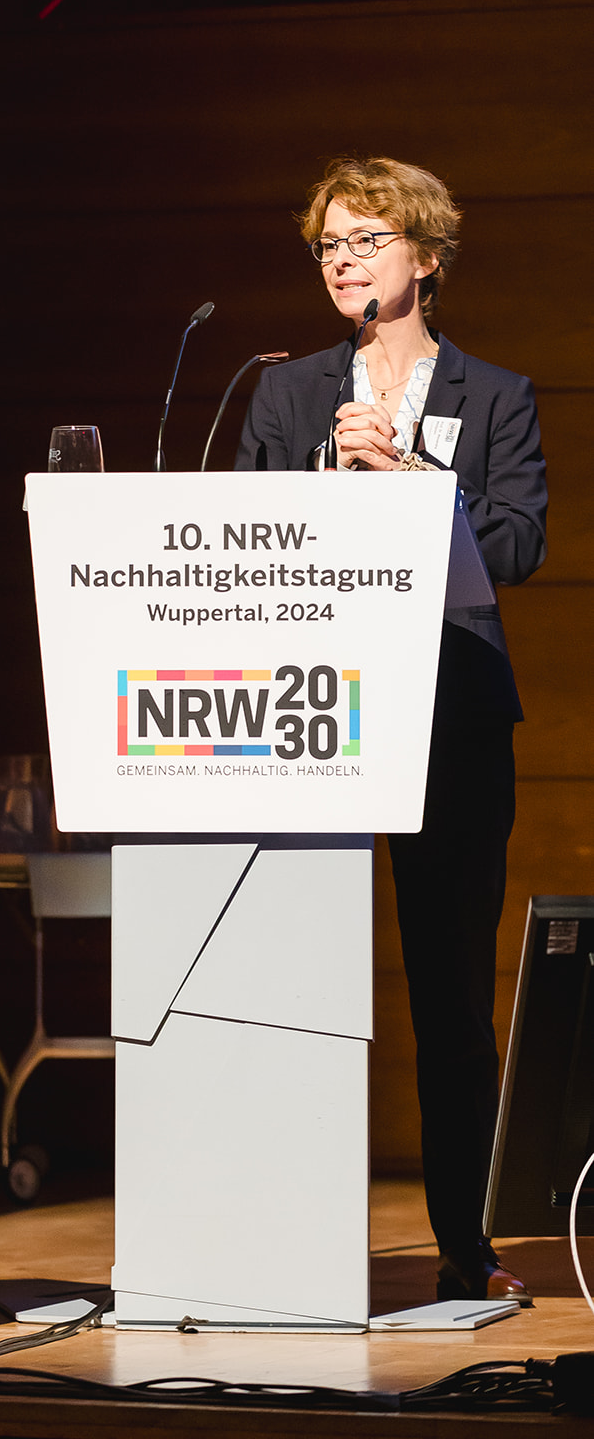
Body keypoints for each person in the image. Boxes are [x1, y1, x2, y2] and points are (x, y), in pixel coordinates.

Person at [235, 156, 547, 1304]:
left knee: (449, 992)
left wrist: (411, 472)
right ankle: (274, 1238)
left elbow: (517, 542)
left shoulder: (493, 395)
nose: (340, 261)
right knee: (285, 980)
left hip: (445, 719)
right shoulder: (283, 394)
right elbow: (235, 534)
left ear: (426, 254)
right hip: (302, 712)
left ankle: (463, 1244)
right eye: (327, 244)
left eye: (364, 239)